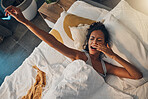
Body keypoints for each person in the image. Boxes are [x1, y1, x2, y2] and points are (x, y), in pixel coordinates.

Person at [5, 6, 143, 79]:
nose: (94, 42)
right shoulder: (82, 56)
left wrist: (113, 56)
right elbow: (53, 42)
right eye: (92, 39)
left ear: (105, 45)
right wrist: (25, 21)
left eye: (99, 40)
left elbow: (137, 75)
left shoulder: (106, 67)